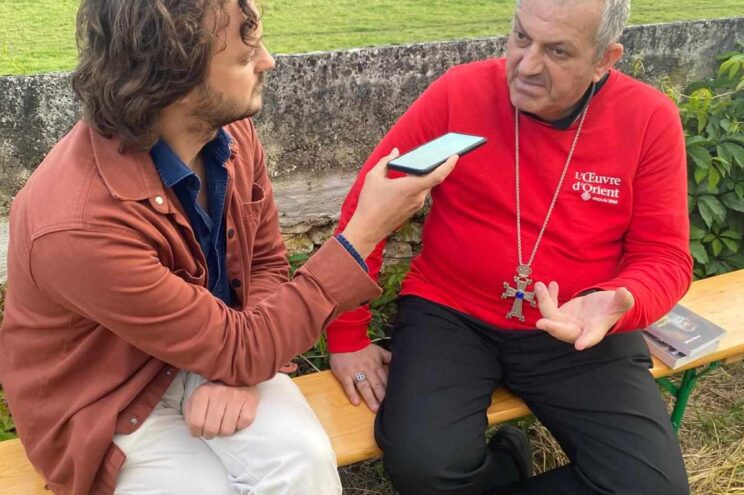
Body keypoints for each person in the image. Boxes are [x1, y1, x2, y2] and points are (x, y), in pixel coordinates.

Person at [0, 1, 458, 494]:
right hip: (104, 399)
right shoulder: (79, 225)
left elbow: (265, 263)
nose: (268, 61)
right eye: (245, 55)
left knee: (303, 463)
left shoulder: (229, 132)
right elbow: (242, 345)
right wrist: (362, 234)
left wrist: (238, 372)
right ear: (173, 79)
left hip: (218, 345)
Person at [327, 0, 692, 493]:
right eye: (521, 37)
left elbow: (665, 255)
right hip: (451, 312)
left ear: (604, 59)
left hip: (579, 324)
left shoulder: (647, 118)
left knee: (651, 488)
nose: (526, 65)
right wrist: (347, 334)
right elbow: (367, 205)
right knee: (424, 468)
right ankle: (508, 463)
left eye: (557, 51)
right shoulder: (460, 93)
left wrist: (620, 300)